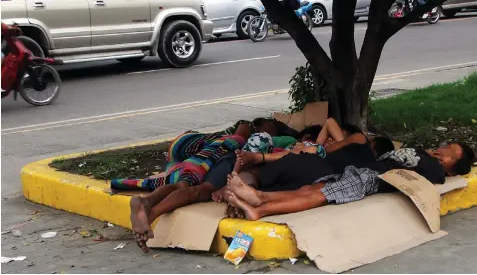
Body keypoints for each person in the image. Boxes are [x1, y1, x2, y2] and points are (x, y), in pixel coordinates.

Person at [127, 118, 283, 251]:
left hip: (195, 154)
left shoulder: (248, 136)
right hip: (221, 153)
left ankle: (146, 202)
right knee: (198, 190)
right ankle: (151, 214)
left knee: (183, 183)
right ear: (264, 123)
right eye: (271, 124)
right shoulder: (252, 131)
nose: (272, 127)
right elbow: (241, 146)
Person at [225, 142, 474, 220]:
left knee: (320, 195)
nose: (442, 151)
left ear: (452, 168)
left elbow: (423, 181)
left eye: (450, 154)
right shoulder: (424, 153)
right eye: (446, 147)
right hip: (362, 169)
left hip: (372, 179)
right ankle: (259, 198)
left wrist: (438, 164)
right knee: (310, 187)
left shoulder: (436, 171)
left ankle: (261, 207)